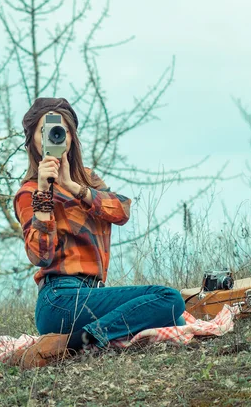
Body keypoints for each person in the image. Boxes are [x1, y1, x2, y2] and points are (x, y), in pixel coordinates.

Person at [11, 97, 186, 369]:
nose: (58, 137)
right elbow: (40, 255)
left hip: (92, 295)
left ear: (72, 137)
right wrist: (45, 192)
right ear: (34, 140)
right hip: (59, 300)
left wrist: (73, 186)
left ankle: (75, 341)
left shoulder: (88, 180)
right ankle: (78, 343)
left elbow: (121, 211)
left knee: (175, 314)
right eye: (46, 131)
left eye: (63, 131)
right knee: (169, 299)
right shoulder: (29, 193)